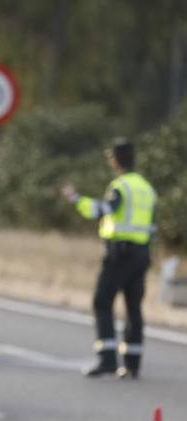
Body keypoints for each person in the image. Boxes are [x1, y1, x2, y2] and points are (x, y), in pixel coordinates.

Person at [61, 139, 157, 379]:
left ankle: (107, 359)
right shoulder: (147, 188)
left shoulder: (121, 187)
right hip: (142, 253)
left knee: (102, 302)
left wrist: (75, 199)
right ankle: (133, 364)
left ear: (115, 160)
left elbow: (101, 210)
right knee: (134, 307)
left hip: (120, 253)